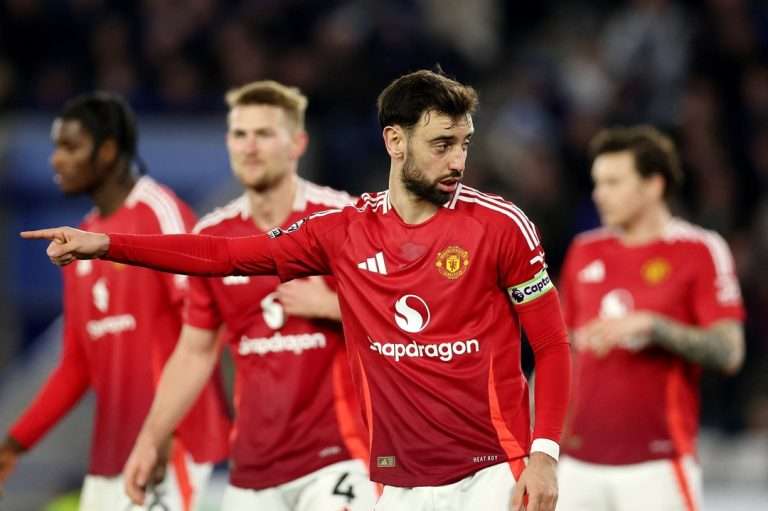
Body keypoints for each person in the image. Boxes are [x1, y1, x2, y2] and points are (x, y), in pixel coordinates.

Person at [22, 69, 572, 511]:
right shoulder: (344, 232)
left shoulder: (501, 226)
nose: (458, 161)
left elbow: (550, 344)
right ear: (395, 141)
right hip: (399, 485)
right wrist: (107, 244)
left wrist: (544, 454)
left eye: (464, 144)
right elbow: (225, 256)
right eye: (442, 144)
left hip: (492, 474)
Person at [121, 80, 377, 510]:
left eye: (264, 134)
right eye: (240, 134)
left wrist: (332, 305)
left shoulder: (344, 218)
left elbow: (408, 315)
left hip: (341, 458)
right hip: (253, 470)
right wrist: (151, 437)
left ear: (297, 144)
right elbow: (194, 351)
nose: (250, 147)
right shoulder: (214, 237)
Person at [1, 92, 231, 510]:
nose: (56, 160)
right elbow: (76, 366)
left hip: (171, 452)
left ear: (107, 151)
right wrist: (16, 444)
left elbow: (204, 325)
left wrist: (164, 431)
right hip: (110, 457)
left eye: (71, 147)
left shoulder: (159, 213)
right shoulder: (81, 238)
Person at [556, 126, 745, 511]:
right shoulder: (584, 250)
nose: (599, 194)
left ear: (653, 185)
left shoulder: (699, 249)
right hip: (574, 464)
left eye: (613, 182)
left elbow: (729, 352)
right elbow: (559, 353)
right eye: (597, 182)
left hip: (657, 465)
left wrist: (653, 326)